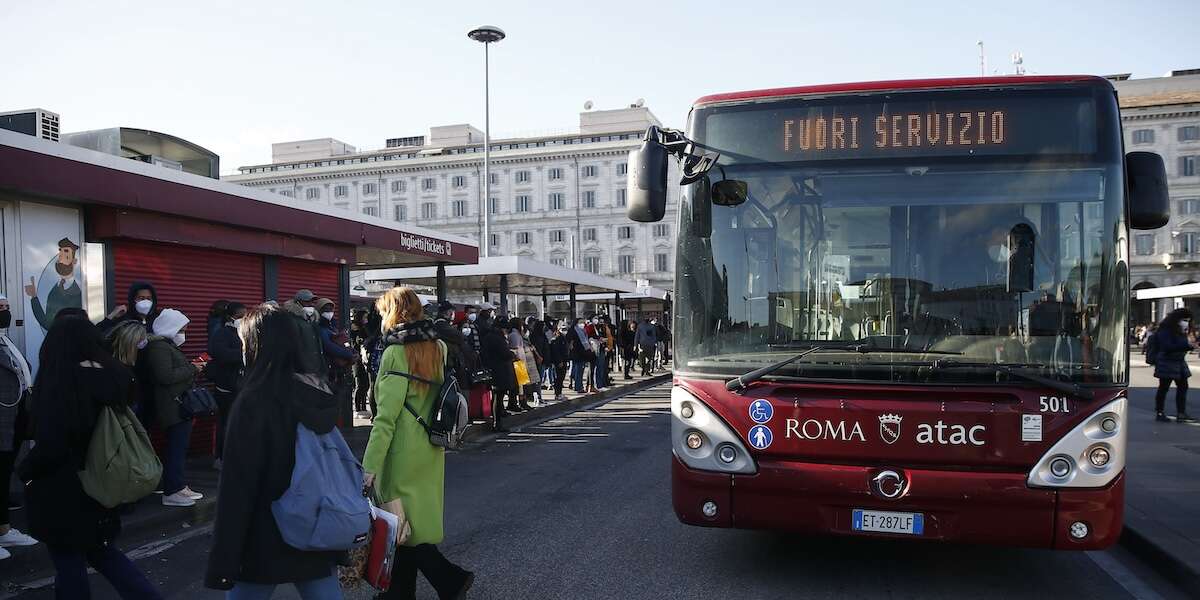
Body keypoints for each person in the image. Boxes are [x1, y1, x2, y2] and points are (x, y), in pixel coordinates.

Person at [205, 304, 346, 598]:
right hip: (314, 523)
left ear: (254, 345)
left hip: (263, 533)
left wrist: (224, 560)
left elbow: (237, 487)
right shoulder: (317, 392)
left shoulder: (253, 401)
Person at [17, 316, 163, 598]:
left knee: (68, 559)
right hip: (105, 480)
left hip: (62, 486)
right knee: (102, 551)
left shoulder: (60, 382)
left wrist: (26, 470)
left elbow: (53, 444)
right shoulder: (114, 375)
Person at [364, 288, 474, 600]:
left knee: (397, 521)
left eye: (383, 310)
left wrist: (369, 466)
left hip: (400, 452)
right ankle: (403, 592)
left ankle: (450, 580)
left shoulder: (394, 352)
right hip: (430, 445)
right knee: (407, 529)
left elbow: (386, 418)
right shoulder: (437, 346)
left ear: (393, 312)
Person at [144, 309, 203, 507]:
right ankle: (172, 490)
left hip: (178, 404)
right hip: (172, 406)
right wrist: (192, 368)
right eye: (181, 329)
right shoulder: (158, 348)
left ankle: (178, 485)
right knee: (176, 448)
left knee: (179, 447)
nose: (183, 334)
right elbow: (165, 376)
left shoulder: (166, 346)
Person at [0, 295, 36, 561]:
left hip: (13, 418)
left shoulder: (5, 340)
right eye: (0, 308)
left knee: (3, 473)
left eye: (6, 308)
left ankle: (3, 530)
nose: (5, 312)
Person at [207, 302, 246, 471]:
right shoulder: (222, 333)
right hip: (226, 387)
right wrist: (245, 354)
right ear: (230, 317)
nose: (243, 319)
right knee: (226, 423)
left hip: (242, 386)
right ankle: (222, 458)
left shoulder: (244, 333)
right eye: (240, 317)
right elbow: (220, 354)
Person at [1152, 308, 1197, 423]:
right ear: (1176, 319)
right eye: (1184, 320)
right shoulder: (1166, 330)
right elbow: (1167, 346)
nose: (1186, 322)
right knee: (1164, 388)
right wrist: (1188, 346)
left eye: (1188, 320)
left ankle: (1181, 413)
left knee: (1183, 387)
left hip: (1179, 362)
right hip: (1167, 362)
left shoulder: (1182, 330)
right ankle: (1160, 412)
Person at [478, 312, 519, 420]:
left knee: (497, 396)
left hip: (493, 369)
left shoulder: (488, 336)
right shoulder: (497, 338)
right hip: (499, 371)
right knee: (498, 396)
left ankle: (498, 417)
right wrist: (512, 354)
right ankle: (497, 421)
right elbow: (504, 354)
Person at [282, 289, 326, 376]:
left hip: (316, 368)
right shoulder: (291, 319)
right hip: (302, 370)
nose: (310, 304)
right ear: (298, 302)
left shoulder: (313, 319)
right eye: (307, 301)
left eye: (312, 301)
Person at [508, 320, 537, 410]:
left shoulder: (518, 334)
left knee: (522, 384)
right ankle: (518, 402)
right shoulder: (514, 335)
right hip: (518, 362)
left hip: (521, 361)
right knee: (520, 386)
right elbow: (515, 349)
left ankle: (522, 402)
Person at [547, 322, 570, 402]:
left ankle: (559, 393)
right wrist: (559, 361)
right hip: (559, 361)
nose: (564, 331)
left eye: (565, 329)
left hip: (563, 360)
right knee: (558, 378)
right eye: (563, 329)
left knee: (561, 377)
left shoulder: (563, 337)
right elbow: (556, 351)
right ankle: (557, 394)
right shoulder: (557, 338)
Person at [569, 318, 593, 393]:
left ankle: (578, 385)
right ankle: (578, 387)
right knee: (578, 371)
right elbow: (570, 342)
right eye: (580, 322)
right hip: (577, 353)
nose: (582, 324)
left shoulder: (583, 330)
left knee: (580, 371)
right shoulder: (573, 331)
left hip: (583, 353)